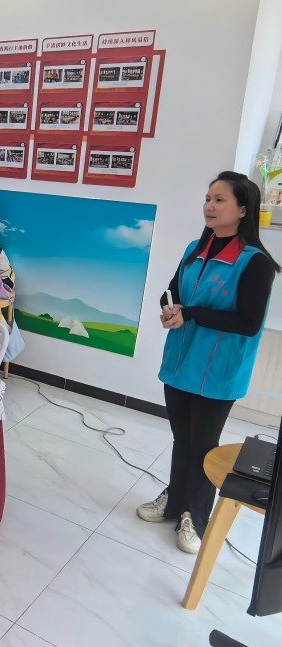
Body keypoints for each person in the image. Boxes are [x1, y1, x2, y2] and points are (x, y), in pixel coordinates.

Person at [138, 171, 278, 554]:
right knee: (182, 438)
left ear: (243, 209)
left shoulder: (256, 263)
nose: (209, 206)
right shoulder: (194, 249)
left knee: (203, 444)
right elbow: (172, 292)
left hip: (217, 371)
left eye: (219, 200)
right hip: (180, 361)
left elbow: (248, 324)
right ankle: (175, 499)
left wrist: (192, 313)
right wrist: (170, 309)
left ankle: (195, 516)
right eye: (208, 198)